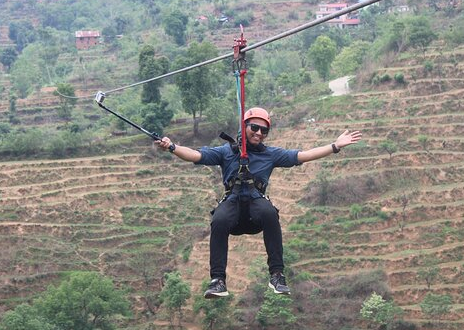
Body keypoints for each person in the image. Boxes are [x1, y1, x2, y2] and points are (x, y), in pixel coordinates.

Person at [155, 107, 362, 299]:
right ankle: (218, 280)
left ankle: (277, 275)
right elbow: (196, 155)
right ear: (244, 127)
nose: (259, 133)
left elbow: (303, 156)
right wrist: (172, 147)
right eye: (254, 128)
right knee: (218, 219)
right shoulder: (226, 152)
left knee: (270, 212)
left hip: (256, 208)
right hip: (233, 205)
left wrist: (335, 146)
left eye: (264, 130)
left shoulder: (270, 154)